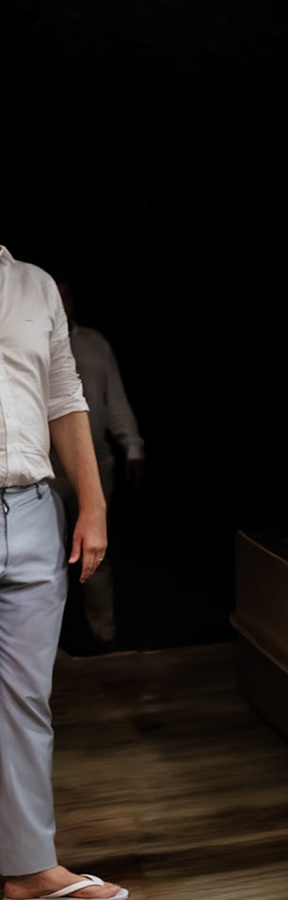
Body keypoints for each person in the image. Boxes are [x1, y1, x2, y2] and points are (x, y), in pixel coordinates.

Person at [0, 249, 124, 900]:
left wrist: (94, 504)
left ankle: (27, 872)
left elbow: (65, 397)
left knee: (25, 701)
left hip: (30, 511)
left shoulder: (33, 285)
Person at [49, 282, 144, 651]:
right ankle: (49, 644)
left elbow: (113, 396)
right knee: (46, 555)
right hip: (47, 466)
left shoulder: (93, 342)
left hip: (97, 460)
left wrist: (132, 445)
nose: (60, 301)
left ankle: (103, 636)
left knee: (97, 551)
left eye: (66, 294)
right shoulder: (25, 340)